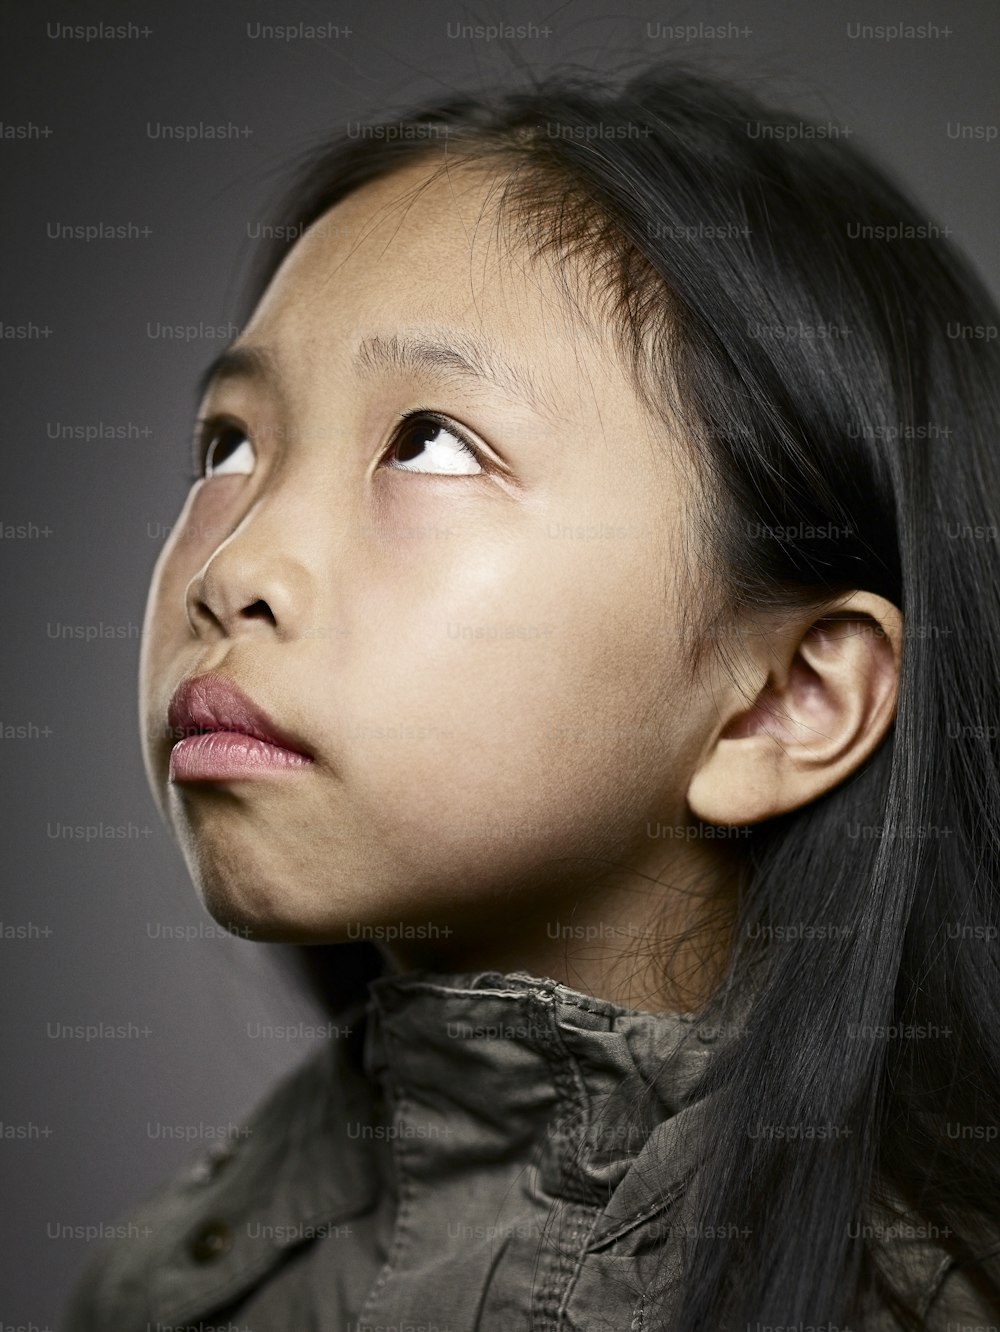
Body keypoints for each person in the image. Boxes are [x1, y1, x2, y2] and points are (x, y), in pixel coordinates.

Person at [64, 62, 1000, 1331]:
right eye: (229, 444)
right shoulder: (168, 1282)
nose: (235, 571)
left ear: (784, 699)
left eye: (430, 442)